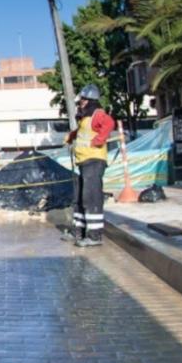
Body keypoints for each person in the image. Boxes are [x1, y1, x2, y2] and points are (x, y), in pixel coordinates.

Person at [63, 84, 115, 248]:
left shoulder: (97, 114)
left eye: (84, 100)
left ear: (91, 100)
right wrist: (71, 137)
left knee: (91, 197)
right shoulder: (86, 118)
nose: (81, 103)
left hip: (94, 160)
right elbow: (81, 132)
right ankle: (78, 230)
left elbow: (109, 123)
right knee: (79, 198)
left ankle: (94, 235)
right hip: (84, 162)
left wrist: (98, 141)